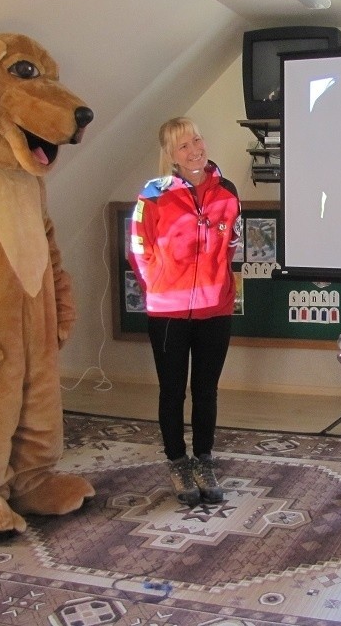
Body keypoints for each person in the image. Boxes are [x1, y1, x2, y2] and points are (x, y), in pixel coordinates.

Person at [129, 117, 241, 507]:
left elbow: (232, 247)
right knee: (172, 391)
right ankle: (177, 461)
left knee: (206, 390)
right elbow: (138, 249)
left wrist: (223, 283)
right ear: (170, 156)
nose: (195, 150)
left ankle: (204, 459)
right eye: (183, 146)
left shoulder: (227, 191)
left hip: (216, 309)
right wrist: (158, 289)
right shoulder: (153, 195)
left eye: (197, 139)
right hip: (168, 312)